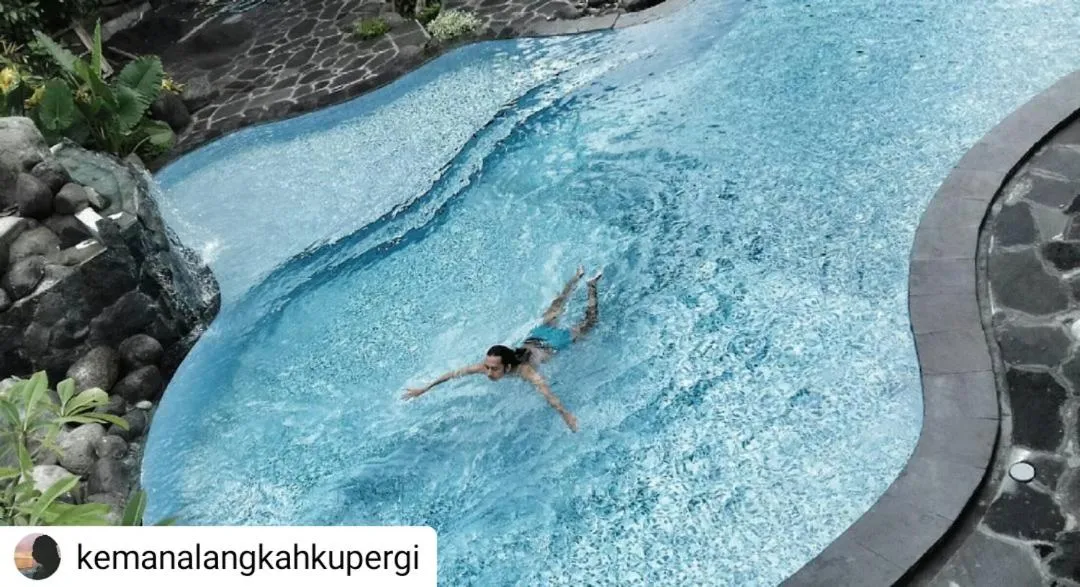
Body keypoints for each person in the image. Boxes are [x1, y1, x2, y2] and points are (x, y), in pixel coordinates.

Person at [402, 266, 603, 432]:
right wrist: (424, 388)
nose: (488, 372)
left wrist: (565, 414)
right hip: (537, 335)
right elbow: (454, 374)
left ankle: (591, 286)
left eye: (494, 369)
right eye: (488, 367)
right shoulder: (487, 367)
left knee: (589, 322)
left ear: (507, 367)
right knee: (556, 305)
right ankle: (576, 277)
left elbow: (546, 393)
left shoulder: (525, 371)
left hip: (554, 343)